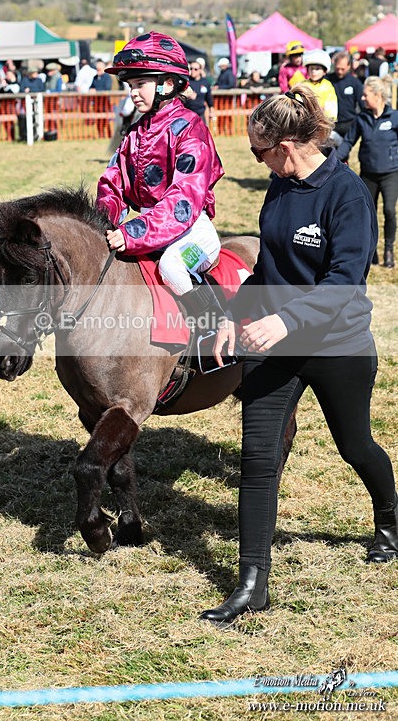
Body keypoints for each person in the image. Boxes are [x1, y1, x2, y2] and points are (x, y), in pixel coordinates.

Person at [199, 84, 397, 630]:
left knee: (355, 446)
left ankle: (389, 517)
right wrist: (230, 315)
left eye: (258, 152)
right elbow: (268, 270)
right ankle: (252, 584)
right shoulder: (279, 188)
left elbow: (345, 284)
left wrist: (283, 320)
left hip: (338, 344)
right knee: (258, 460)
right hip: (272, 345)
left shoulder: (348, 194)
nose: (256, 162)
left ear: (287, 145)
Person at [96, 31, 224, 322]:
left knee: (171, 266)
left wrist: (131, 232)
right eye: (130, 85)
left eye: (141, 84)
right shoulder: (134, 133)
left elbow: (183, 201)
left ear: (167, 84)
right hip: (152, 228)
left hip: (192, 231)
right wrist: (99, 225)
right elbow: (113, 183)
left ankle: (215, 328)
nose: (133, 92)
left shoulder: (191, 128)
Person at [337, 76, 398, 268]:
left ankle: (389, 251)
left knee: (389, 210)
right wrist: (335, 159)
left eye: (365, 95)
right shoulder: (361, 118)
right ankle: (371, 253)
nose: (362, 99)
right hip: (368, 174)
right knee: (368, 215)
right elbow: (348, 141)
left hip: (391, 174)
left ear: (378, 95)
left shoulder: (394, 117)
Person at [327, 51, 363, 140]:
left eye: (342, 69)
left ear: (349, 66)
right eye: (337, 68)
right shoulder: (327, 80)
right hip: (331, 124)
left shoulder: (355, 83)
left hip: (348, 123)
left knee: (344, 151)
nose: (339, 71)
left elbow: (362, 104)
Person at [301, 49, 337, 122]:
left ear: (324, 71)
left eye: (317, 69)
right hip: (305, 122)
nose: (314, 72)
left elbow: (331, 106)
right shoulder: (303, 85)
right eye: (311, 69)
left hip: (322, 122)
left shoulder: (327, 85)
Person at [89, 59, 113, 138]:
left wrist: (96, 91)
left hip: (105, 102)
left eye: (99, 69)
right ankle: (101, 135)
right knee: (98, 120)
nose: (97, 70)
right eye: (97, 69)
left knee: (106, 120)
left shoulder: (107, 77)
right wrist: (91, 90)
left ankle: (109, 135)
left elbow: (107, 88)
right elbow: (91, 87)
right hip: (96, 102)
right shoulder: (95, 77)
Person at [185, 59, 213, 125]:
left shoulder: (205, 82)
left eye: (195, 69)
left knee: (201, 134)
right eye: (191, 68)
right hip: (188, 114)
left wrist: (211, 111)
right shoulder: (186, 81)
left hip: (200, 114)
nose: (193, 71)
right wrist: (187, 95)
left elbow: (209, 98)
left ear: (200, 70)